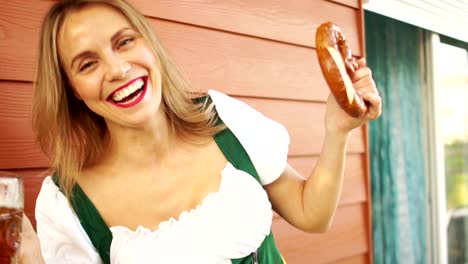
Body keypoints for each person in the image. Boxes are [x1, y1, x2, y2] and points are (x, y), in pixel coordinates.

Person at [20, 0, 382, 263]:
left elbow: (311, 214)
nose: (117, 69)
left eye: (125, 42)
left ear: (149, 44)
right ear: (71, 89)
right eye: (88, 64)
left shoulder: (223, 118)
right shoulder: (66, 203)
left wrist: (338, 130)